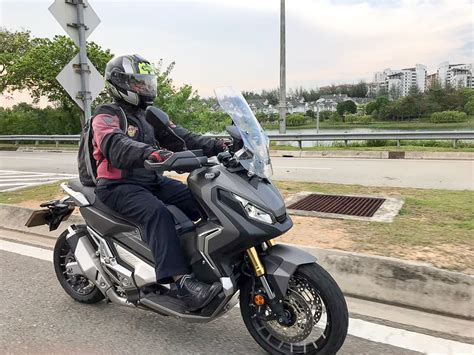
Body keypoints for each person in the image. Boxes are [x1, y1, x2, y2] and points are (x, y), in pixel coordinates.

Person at [91, 54, 226, 311]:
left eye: (147, 82)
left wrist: (220, 145)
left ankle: (201, 260)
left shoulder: (148, 116)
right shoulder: (106, 114)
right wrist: (151, 153)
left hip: (150, 181)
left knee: (202, 199)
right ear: (121, 84)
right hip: (118, 186)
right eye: (139, 83)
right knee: (158, 214)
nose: (146, 87)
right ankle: (181, 282)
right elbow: (115, 144)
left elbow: (182, 137)